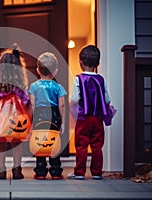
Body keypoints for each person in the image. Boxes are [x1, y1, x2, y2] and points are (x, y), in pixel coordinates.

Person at [68, 45, 115, 180]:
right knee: (97, 145)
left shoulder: (79, 79)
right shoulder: (101, 79)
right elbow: (107, 99)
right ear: (98, 64)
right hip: (98, 118)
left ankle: (79, 172)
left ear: (80, 62)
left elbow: (75, 98)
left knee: (81, 145)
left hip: (84, 118)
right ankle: (96, 172)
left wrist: (71, 105)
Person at [0, 46, 29, 179]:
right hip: (16, 119)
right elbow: (25, 99)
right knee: (17, 143)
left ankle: (1, 170)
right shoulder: (20, 84)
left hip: (0, 120)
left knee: (1, 144)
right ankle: (17, 171)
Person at [28, 52, 67, 180]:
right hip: (54, 115)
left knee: (40, 142)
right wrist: (63, 123)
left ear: (38, 70)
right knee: (53, 142)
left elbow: (32, 104)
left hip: (39, 115)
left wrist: (30, 121)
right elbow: (61, 105)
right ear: (55, 71)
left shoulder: (34, 86)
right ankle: (56, 171)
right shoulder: (58, 87)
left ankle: (40, 171)